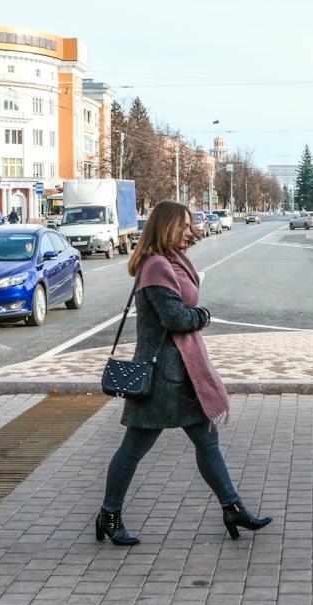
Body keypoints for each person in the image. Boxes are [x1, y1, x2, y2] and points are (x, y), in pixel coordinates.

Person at [97, 200, 271, 546]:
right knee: (133, 448)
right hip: (163, 376)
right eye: (185, 226)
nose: (190, 232)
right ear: (169, 227)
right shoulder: (157, 266)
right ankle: (109, 515)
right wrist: (202, 317)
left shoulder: (170, 261)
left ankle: (232, 507)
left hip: (185, 373)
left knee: (207, 442)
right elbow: (175, 318)